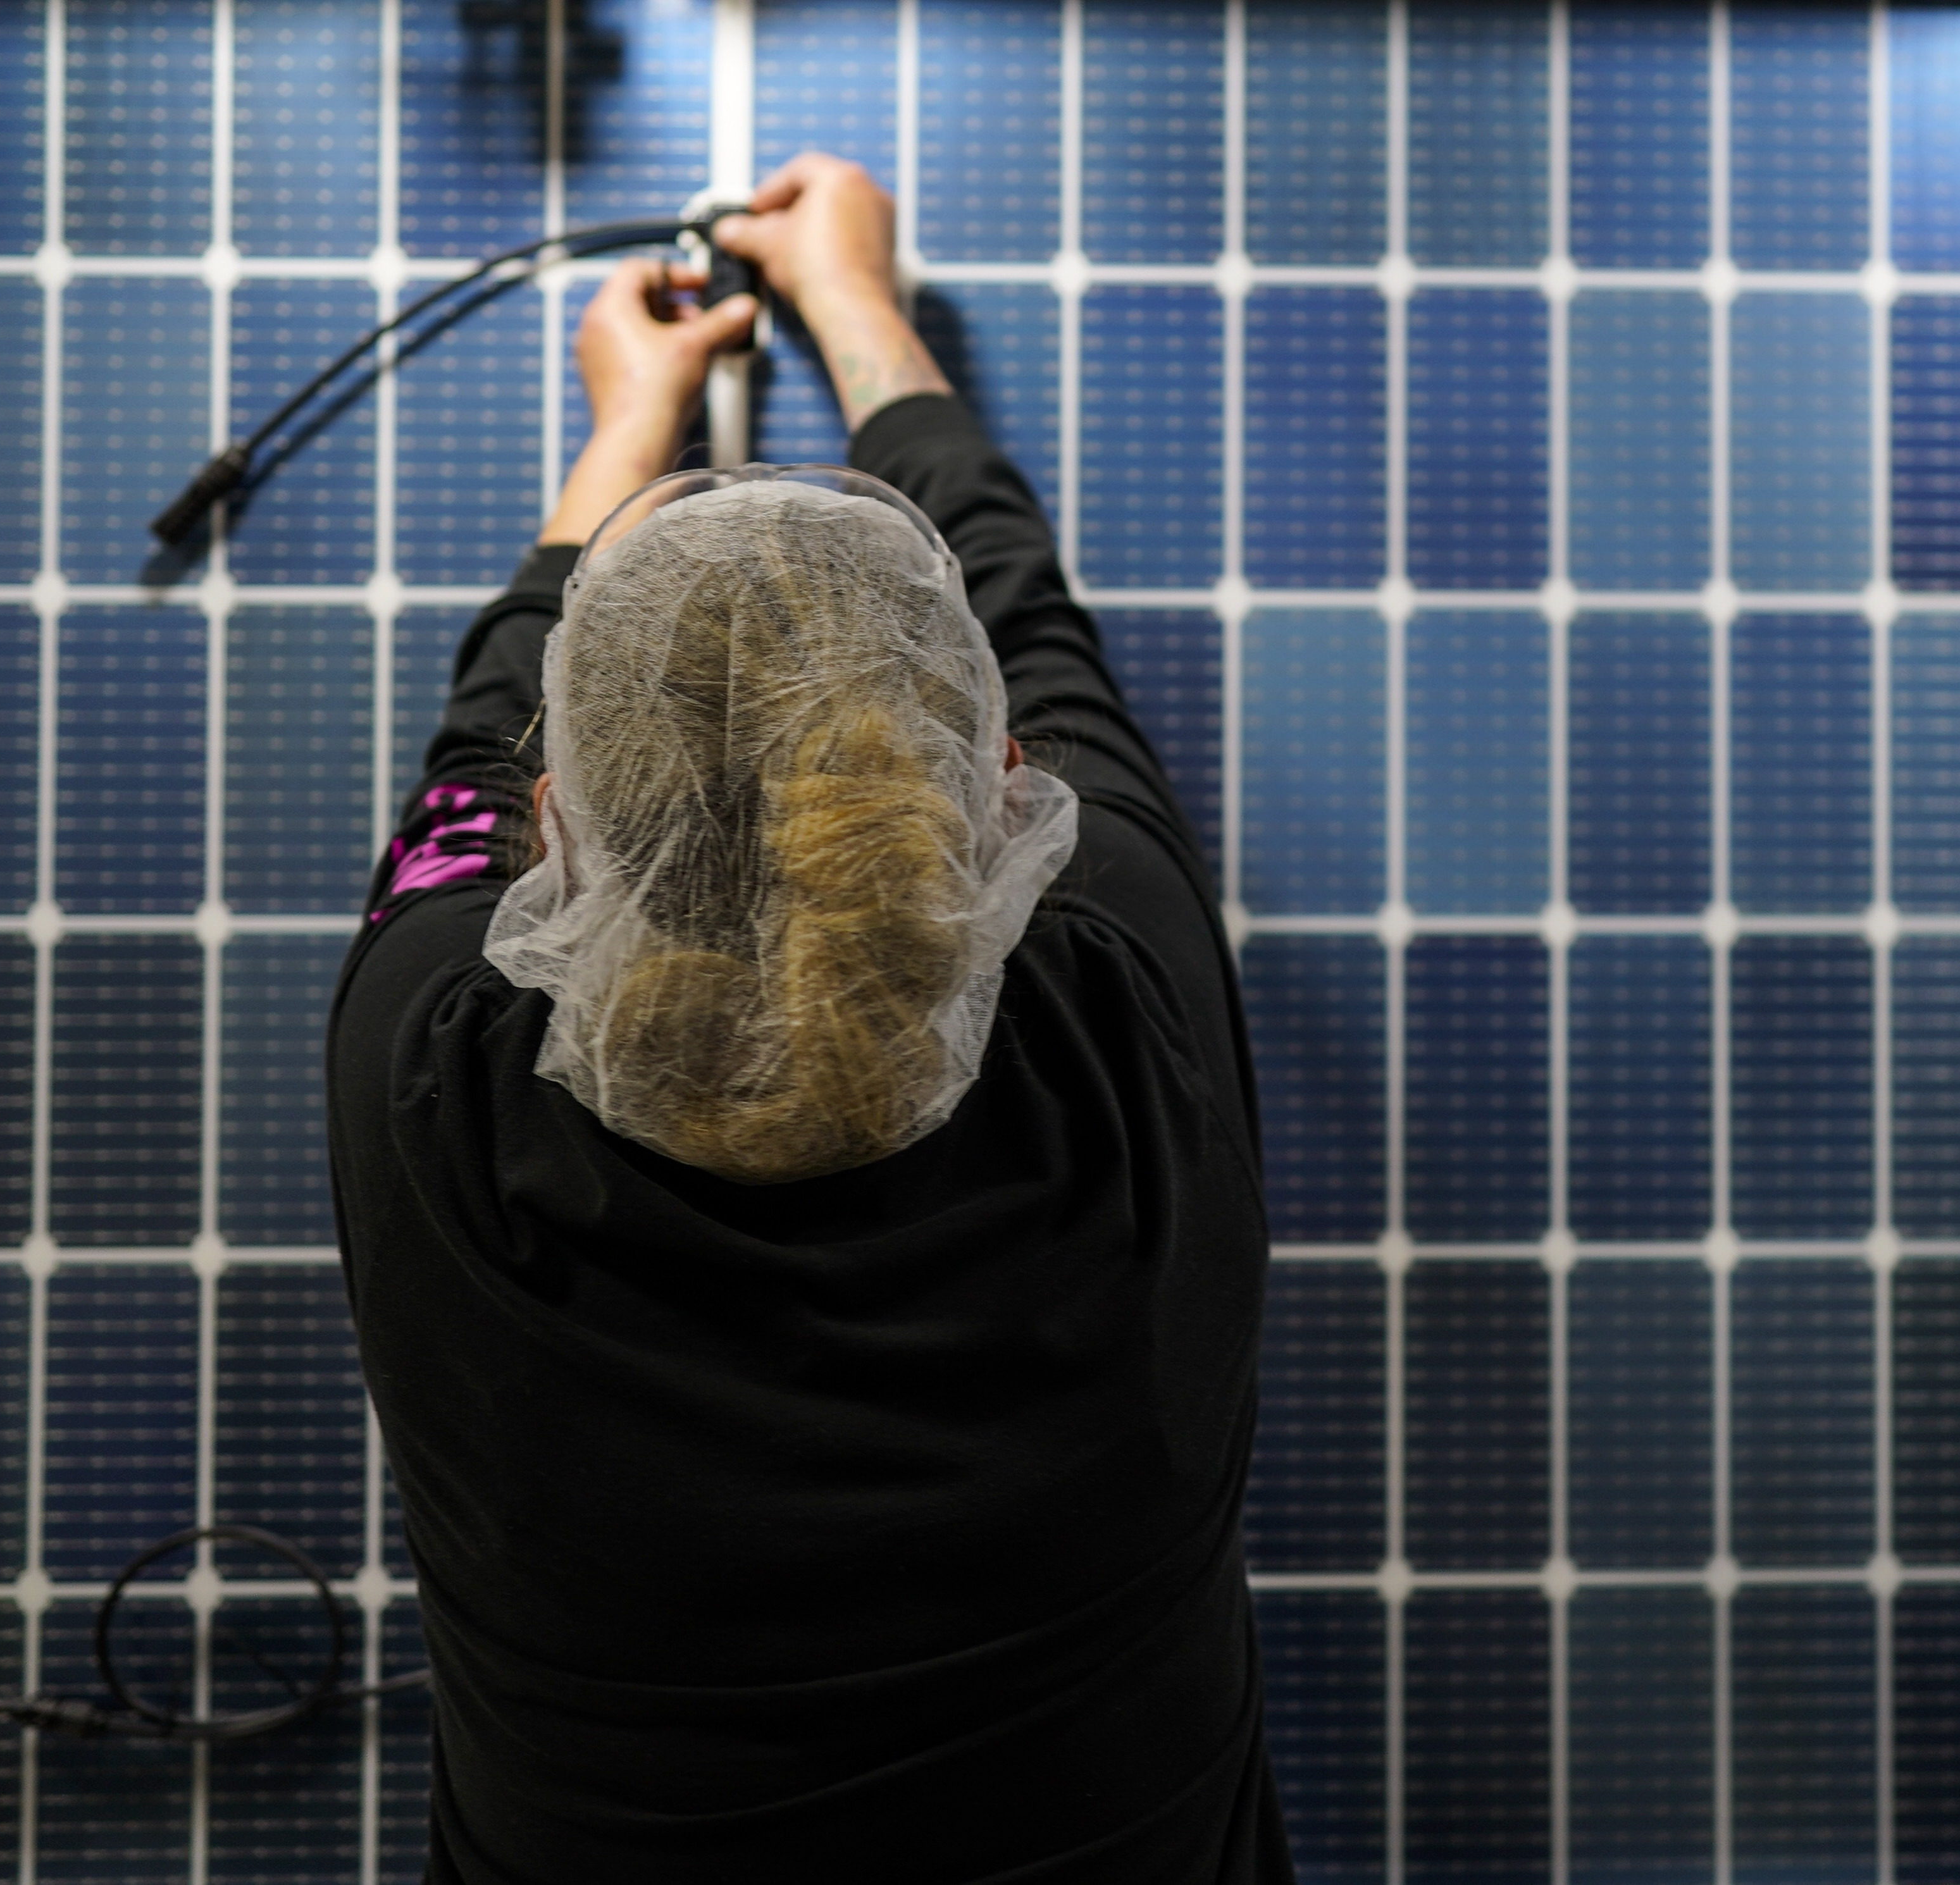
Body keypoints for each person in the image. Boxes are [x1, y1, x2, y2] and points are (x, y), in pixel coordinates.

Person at [327, 152, 1292, 1884]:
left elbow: (478, 739)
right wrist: (862, 309)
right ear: (1008, 787)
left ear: (558, 827)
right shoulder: (1117, 1010)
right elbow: (1036, 627)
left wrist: (634, 420)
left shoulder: (437, 1078)